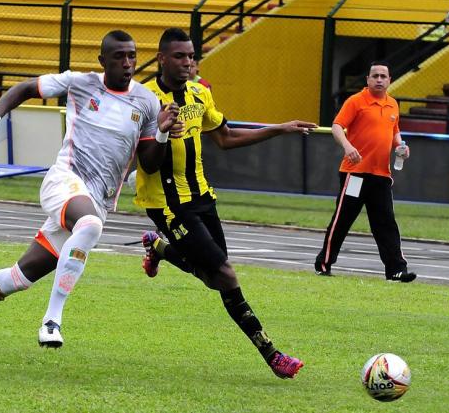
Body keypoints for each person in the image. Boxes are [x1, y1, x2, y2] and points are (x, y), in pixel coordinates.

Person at [0, 30, 182, 348]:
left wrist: (162, 133)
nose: (128, 63)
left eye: (132, 56)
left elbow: (149, 163)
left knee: (17, 279)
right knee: (90, 225)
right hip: (64, 180)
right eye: (119, 57)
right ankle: (52, 321)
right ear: (102, 60)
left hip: (96, 199)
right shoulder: (80, 83)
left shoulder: (146, 101)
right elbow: (24, 88)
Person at [135, 28, 317, 379]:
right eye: (179, 56)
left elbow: (226, 137)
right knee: (225, 274)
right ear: (161, 59)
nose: (187, 62)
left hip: (202, 197)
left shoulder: (199, 93)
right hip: (168, 205)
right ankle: (272, 354)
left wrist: (279, 128)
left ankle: (159, 248)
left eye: (191, 56)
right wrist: (161, 131)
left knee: (212, 276)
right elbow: (149, 163)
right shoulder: (145, 100)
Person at [313, 61, 417, 283]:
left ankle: (396, 270)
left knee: (386, 223)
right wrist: (348, 147)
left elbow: (395, 131)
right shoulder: (356, 101)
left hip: (381, 176)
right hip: (355, 174)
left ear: (389, 80)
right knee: (343, 219)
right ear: (367, 79)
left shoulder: (392, 104)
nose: (379, 79)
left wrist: (401, 147)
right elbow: (337, 126)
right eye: (375, 76)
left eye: (383, 76)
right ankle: (324, 263)